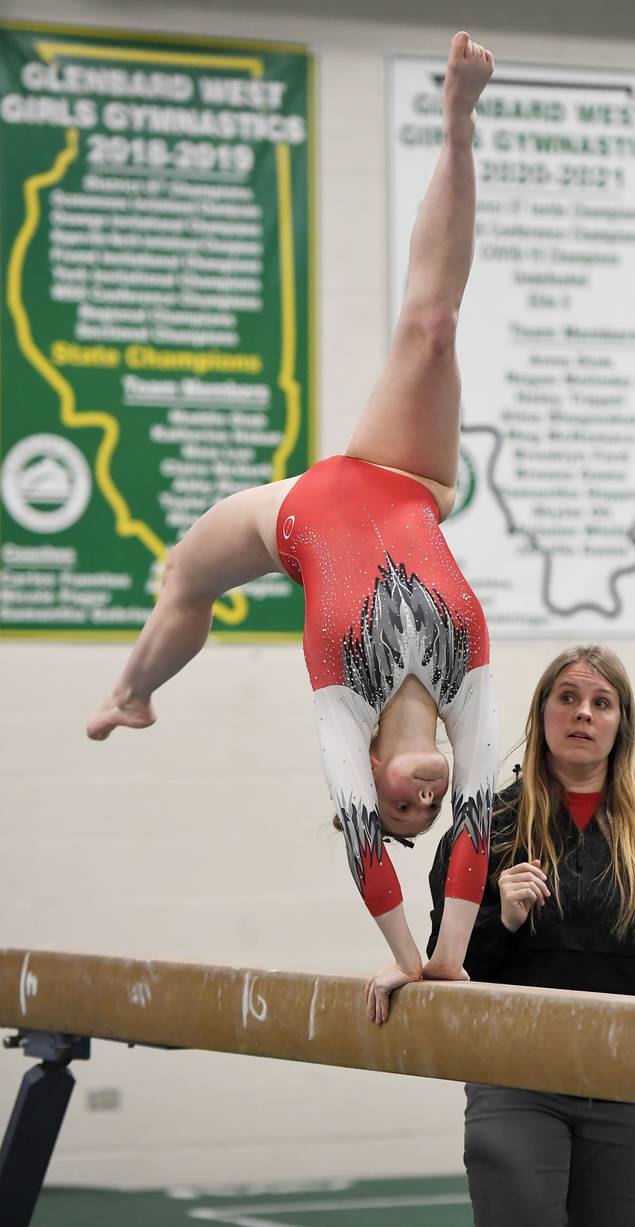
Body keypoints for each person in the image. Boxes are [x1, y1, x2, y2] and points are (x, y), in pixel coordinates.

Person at [87, 33, 499, 1026]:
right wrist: (448, 958)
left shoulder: (340, 712)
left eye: (402, 807)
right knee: (432, 324)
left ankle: (129, 691)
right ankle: (457, 118)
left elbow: (361, 847)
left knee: (186, 586)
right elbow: (480, 827)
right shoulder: (469, 685)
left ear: (368, 780)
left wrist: (402, 957)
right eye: (424, 812)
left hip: (288, 520)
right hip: (402, 473)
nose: (426, 799)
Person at [428, 644, 635, 1227]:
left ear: (622, 724)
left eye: (602, 703)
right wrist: (503, 919)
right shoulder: (487, 830)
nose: (583, 714)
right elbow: (443, 968)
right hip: (518, 1079)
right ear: (541, 713)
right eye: (567, 698)